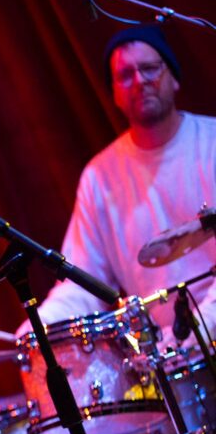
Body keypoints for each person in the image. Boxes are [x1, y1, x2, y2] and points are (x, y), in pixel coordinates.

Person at [22, 25, 216, 343]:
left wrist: (202, 326)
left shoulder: (211, 142)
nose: (139, 81)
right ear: (114, 94)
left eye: (150, 68)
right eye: (125, 75)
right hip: (171, 354)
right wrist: (38, 327)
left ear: (174, 77)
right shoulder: (99, 177)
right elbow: (83, 282)